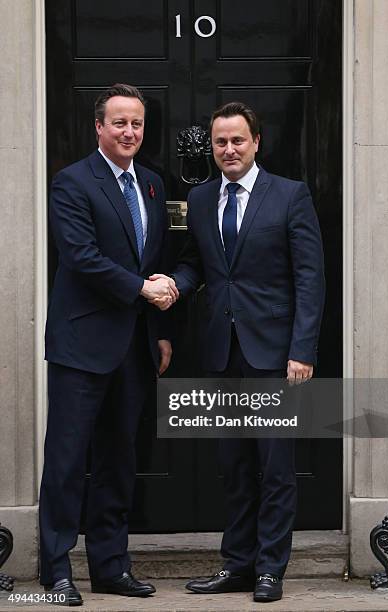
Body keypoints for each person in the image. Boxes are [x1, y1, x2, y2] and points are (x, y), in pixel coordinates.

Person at [150, 101, 325, 603]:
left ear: (256, 143)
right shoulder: (202, 200)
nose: (228, 149)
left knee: (275, 469)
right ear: (213, 146)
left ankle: (271, 569)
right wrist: (174, 287)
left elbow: (310, 278)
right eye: (220, 142)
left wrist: (303, 349)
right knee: (234, 468)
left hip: (275, 356)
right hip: (221, 354)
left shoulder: (290, 196)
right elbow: (195, 265)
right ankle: (238, 565)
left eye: (237, 140)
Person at [39, 83, 178, 606]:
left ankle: (110, 566)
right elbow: (81, 256)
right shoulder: (72, 182)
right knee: (68, 461)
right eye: (119, 122)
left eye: (137, 123)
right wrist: (142, 288)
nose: (129, 132)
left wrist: (162, 327)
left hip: (135, 346)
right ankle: (55, 573)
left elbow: (158, 256)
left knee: (119, 461)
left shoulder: (153, 185)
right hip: (82, 345)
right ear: (99, 127)